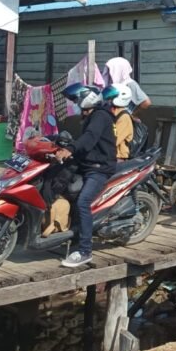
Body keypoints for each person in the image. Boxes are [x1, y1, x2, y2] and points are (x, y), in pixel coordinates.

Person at [55, 84, 117, 268]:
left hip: (99, 168)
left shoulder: (100, 116)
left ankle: (85, 251)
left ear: (86, 99)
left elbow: (89, 138)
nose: (75, 103)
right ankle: (70, 235)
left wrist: (70, 149)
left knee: (83, 202)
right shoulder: (91, 115)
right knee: (63, 188)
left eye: (76, 100)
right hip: (87, 163)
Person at [104, 84, 135, 160]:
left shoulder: (124, 117)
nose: (109, 100)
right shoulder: (112, 113)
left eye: (111, 97)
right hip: (107, 155)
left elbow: (114, 140)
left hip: (118, 157)